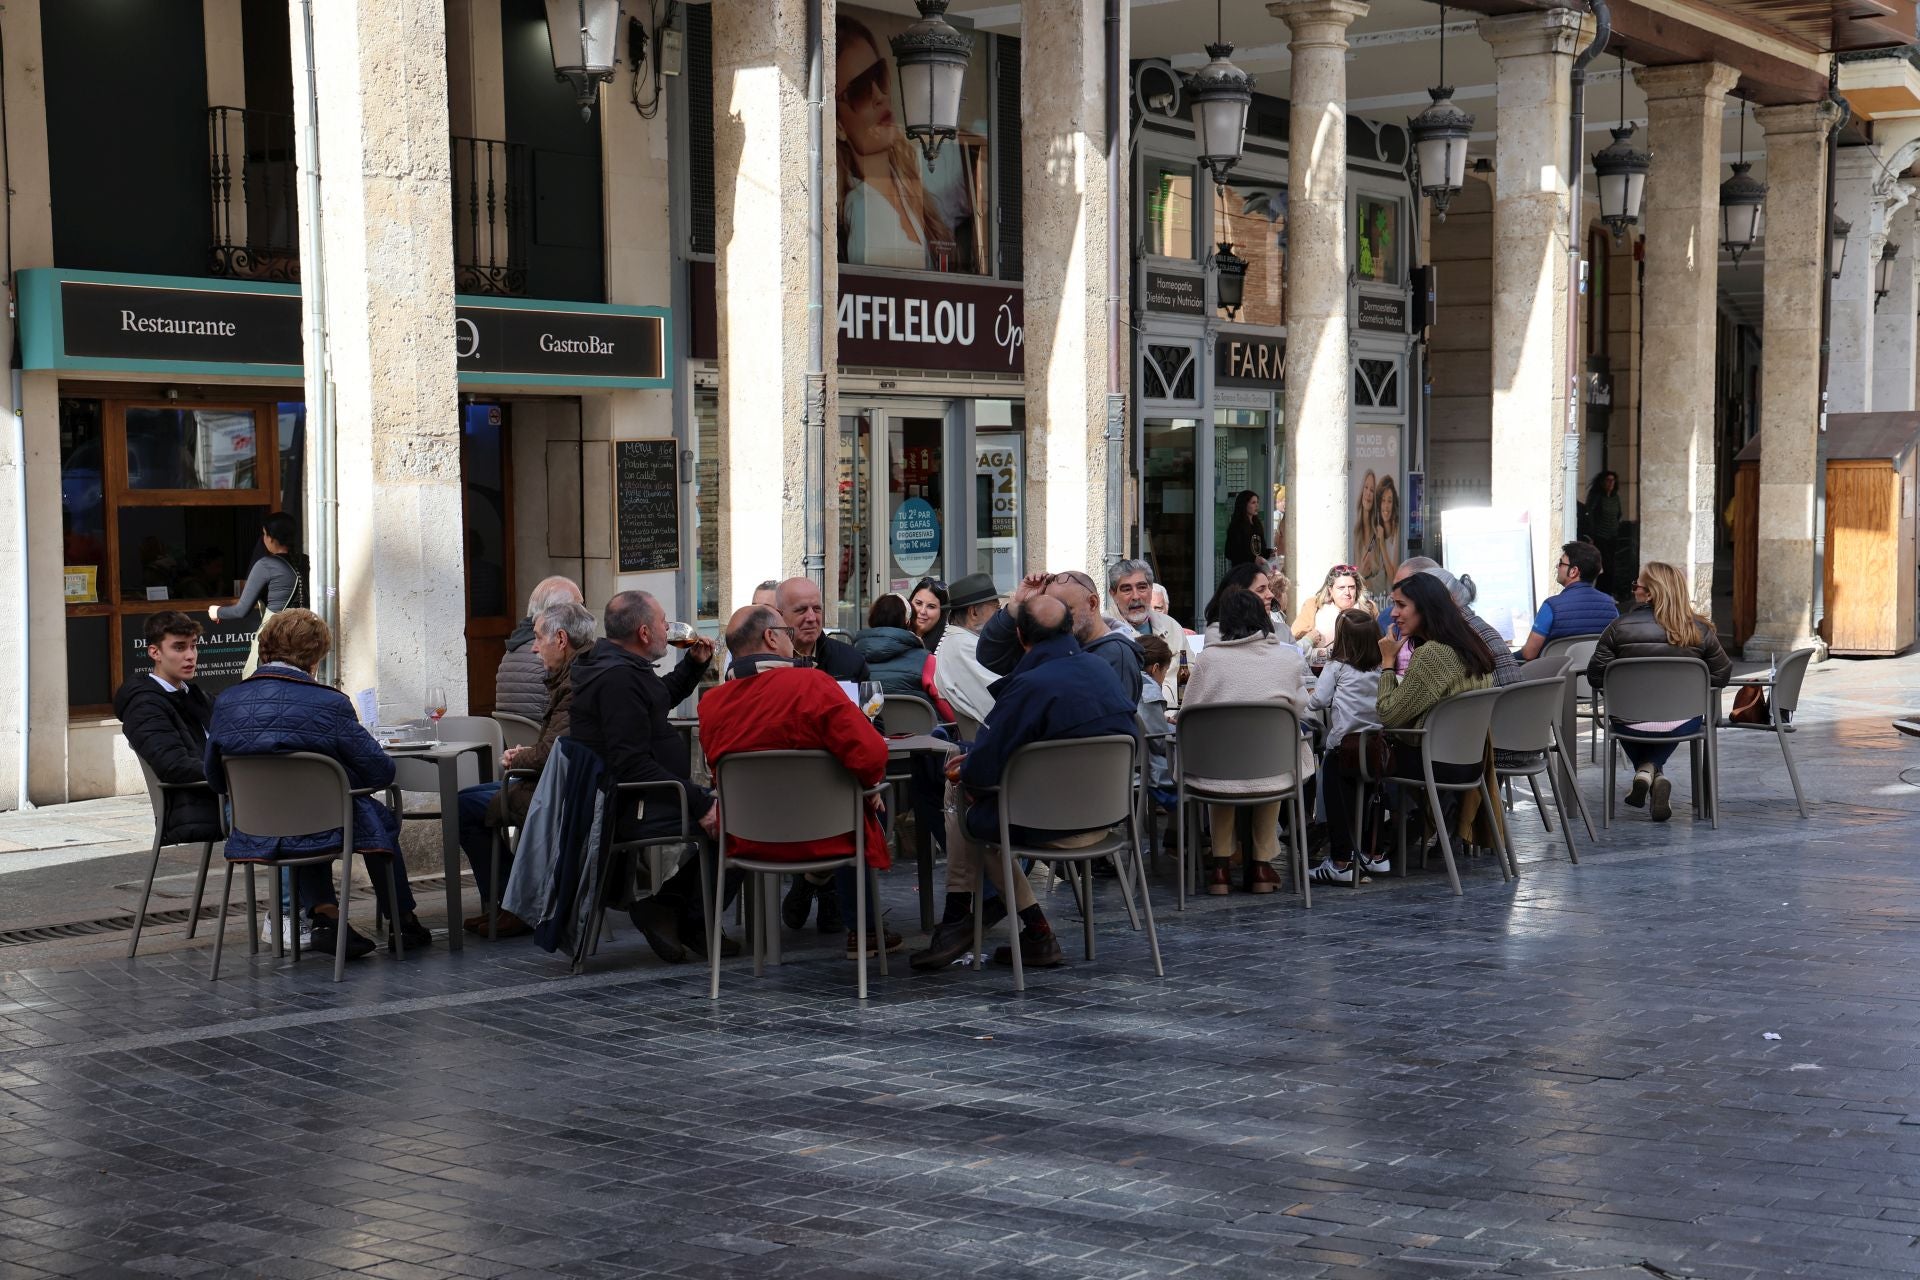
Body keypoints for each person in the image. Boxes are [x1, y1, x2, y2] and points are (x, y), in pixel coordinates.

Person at [909, 596, 1136, 972]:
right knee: (973, 799)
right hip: (1109, 817)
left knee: (967, 806)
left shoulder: (1028, 686)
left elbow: (983, 773)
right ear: (1069, 629)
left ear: (1020, 637)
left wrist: (971, 762)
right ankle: (1020, 931)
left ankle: (967, 918)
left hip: (1052, 823)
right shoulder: (1103, 670)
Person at [204, 609, 427, 960]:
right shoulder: (329, 703)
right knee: (359, 813)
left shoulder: (226, 701)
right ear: (316, 656)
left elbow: (216, 777)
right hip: (320, 821)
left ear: (265, 648)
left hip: (249, 823)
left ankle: (327, 916)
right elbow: (381, 772)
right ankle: (402, 920)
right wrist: (337, 779)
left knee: (309, 809)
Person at [701, 605, 902, 958]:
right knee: (867, 800)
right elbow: (871, 754)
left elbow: (719, 774)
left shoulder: (711, 704)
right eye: (787, 632)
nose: (791, 641)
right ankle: (863, 929)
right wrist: (867, 784)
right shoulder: (812, 684)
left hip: (749, 840)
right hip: (827, 836)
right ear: (771, 637)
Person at [567, 590, 732, 962]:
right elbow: (632, 764)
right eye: (662, 622)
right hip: (630, 806)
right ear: (644, 633)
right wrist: (700, 802)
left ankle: (678, 914)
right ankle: (679, 914)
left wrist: (692, 666)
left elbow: (657, 697)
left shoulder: (621, 668)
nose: (667, 628)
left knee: (734, 816)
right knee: (739, 822)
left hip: (643, 797)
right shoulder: (617, 679)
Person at [1311, 572, 1495, 884]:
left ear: (1425, 608)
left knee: (1342, 756)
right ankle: (1373, 853)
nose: (1393, 613)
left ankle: (1342, 860)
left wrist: (1387, 662)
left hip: (1433, 762)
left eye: (1401, 605)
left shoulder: (1433, 654)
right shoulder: (1471, 645)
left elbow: (1388, 714)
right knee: (1362, 754)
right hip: (1471, 762)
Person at [455, 601, 594, 937]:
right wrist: (527, 754)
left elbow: (554, 753)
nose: (533, 648)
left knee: (463, 806)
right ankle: (508, 902)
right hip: (557, 782)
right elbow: (556, 746)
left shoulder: (576, 680)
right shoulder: (578, 670)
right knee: (468, 798)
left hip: (558, 793)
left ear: (561, 639)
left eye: (538, 638)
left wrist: (517, 758)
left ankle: (513, 905)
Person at [1181, 589, 1314, 896]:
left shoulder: (1208, 659)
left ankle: (1220, 867)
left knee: (1219, 770)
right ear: (1264, 620)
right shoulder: (1287, 659)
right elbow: (1300, 708)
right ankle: (1262, 866)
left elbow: (1189, 712)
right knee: (1274, 762)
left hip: (1216, 771)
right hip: (1273, 769)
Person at [1586, 561, 1731, 822]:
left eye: (1636, 586)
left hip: (1628, 721)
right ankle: (1653, 772)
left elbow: (1596, 677)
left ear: (1650, 593)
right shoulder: (1699, 631)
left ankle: (1646, 771)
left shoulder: (1618, 628)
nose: (1634, 590)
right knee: (1675, 717)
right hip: (1682, 722)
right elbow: (1721, 675)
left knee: (1625, 717)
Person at [834, 15, 976, 272]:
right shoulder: (862, 207)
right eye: (860, 90)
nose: (879, 95)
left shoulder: (912, 183)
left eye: (879, 75)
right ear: (839, 127)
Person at [114, 611, 221, 848]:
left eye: (193, 646)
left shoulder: (195, 696)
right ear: (155, 652)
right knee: (285, 812)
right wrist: (234, 772)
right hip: (198, 809)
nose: (190, 656)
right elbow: (173, 765)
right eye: (179, 647)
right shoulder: (144, 705)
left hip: (223, 797)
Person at [208, 511, 308, 678]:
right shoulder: (304, 561)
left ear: (270, 538)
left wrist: (216, 611)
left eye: (264, 534)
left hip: (275, 637)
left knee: (257, 679)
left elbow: (241, 611)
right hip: (303, 635)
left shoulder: (266, 565)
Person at [1045, 571, 1143, 707]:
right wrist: (1021, 605)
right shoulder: (1066, 645)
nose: (1057, 621)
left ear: (1092, 603)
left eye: (1067, 611)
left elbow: (1110, 716)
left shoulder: (1116, 655)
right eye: (1052, 613)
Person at [494, 575, 584, 722]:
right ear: (557, 611)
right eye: (578, 606)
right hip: (547, 732)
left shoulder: (511, 650)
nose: (583, 612)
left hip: (515, 735)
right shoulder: (554, 649)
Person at [1518, 541, 1619, 660]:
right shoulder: (1611, 607)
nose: (1557, 567)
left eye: (1561, 563)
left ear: (1573, 571)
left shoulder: (1551, 606)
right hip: (1596, 671)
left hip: (1557, 672)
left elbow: (1529, 654)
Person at [1108, 559, 1187, 702]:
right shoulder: (1104, 631)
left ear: (1151, 589)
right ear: (1112, 594)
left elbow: (1187, 674)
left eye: (1142, 587)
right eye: (1126, 589)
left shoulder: (1171, 626)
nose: (1136, 596)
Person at [933, 572, 1002, 729]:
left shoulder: (959, 642)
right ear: (974, 612)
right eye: (996, 607)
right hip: (996, 737)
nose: (999, 613)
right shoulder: (965, 646)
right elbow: (1001, 702)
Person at [776, 577, 871, 683]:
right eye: (801, 610)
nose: (812, 618)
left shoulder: (851, 660)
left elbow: (867, 693)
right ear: (779, 615)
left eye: (817, 609)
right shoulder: (766, 662)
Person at [1291, 564, 1375, 652]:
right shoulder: (1314, 606)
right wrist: (1311, 640)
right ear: (1330, 590)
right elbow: (1295, 639)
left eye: (1351, 587)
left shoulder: (1368, 608)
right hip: (1321, 660)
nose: (1347, 592)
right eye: (1341, 588)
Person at [1136, 634, 1176, 811]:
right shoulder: (1149, 690)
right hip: (1152, 771)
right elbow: (1159, 742)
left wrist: (1161, 719)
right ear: (1156, 668)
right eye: (1165, 673)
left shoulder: (1128, 678)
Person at [1200, 563, 1285, 640]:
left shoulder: (1283, 631)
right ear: (1239, 596)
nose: (1271, 595)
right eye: (1261, 590)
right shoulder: (1218, 634)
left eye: (1269, 588)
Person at [1359, 478, 1401, 599]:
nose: (1386, 506)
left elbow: (1393, 580)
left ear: (1393, 504)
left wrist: (1382, 544)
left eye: (1389, 501)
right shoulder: (1375, 533)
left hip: (1392, 601)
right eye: (1383, 501)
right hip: (1379, 599)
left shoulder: (1396, 533)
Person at [1586, 471, 1624, 592]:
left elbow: (1618, 514)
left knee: (1611, 566)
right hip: (1599, 537)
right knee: (1603, 566)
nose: (1611, 483)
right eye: (1608, 480)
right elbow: (1590, 516)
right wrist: (1592, 535)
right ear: (1602, 482)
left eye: (1613, 480)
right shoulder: (1596, 497)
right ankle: (1601, 592)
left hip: (1613, 537)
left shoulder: (1615, 497)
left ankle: (1608, 592)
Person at [1222, 490, 1266, 568]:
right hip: (1242, 571)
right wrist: (1253, 559)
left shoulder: (1257, 525)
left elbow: (1261, 550)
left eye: (1257, 502)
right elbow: (1230, 553)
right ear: (1244, 505)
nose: (1257, 505)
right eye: (1253, 502)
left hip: (1256, 569)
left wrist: (1270, 552)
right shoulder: (1236, 526)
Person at [908, 577, 948, 653]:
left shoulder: (948, 642)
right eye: (918, 603)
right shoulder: (897, 630)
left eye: (931, 606)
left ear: (942, 611)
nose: (923, 611)